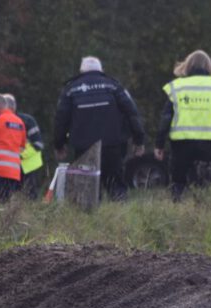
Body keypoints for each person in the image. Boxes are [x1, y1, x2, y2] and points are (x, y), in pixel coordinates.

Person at [54, 56, 145, 201]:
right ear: (101, 70)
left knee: (87, 188)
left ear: (81, 71)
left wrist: (59, 145)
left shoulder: (71, 89)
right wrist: (138, 140)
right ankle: (121, 219)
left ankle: (91, 220)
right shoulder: (113, 85)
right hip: (112, 145)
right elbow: (132, 113)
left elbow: (61, 119)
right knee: (116, 186)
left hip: (84, 148)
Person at [154, 49, 211, 199]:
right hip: (209, 144)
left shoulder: (177, 86)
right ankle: (204, 215)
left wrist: (159, 144)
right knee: (205, 184)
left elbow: (165, 118)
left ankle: (178, 215)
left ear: (187, 66)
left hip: (181, 144)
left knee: (178, 183)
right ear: (209, 66)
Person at [2, 94, 46, 198]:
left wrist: (19, 156)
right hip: (8, 165)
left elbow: (38, 144)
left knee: (28, 196)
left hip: (27, 166)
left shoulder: (27, 121)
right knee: (6, 196)